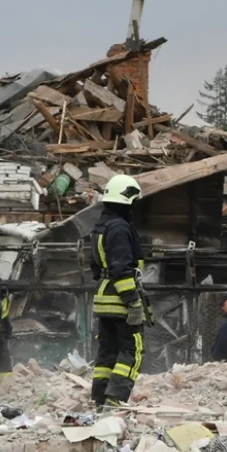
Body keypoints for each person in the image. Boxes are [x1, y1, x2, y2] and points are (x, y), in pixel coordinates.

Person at [90, 174, 149, 407]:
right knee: (132, 351)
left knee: (107, 353)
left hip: (103, 298)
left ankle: (100, 400)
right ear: (128, 200)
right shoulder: (120, 229)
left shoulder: (100, 227)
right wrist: (132, 301)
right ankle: (115, 400)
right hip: (120, 301)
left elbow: (96, 267)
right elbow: (121, 268)